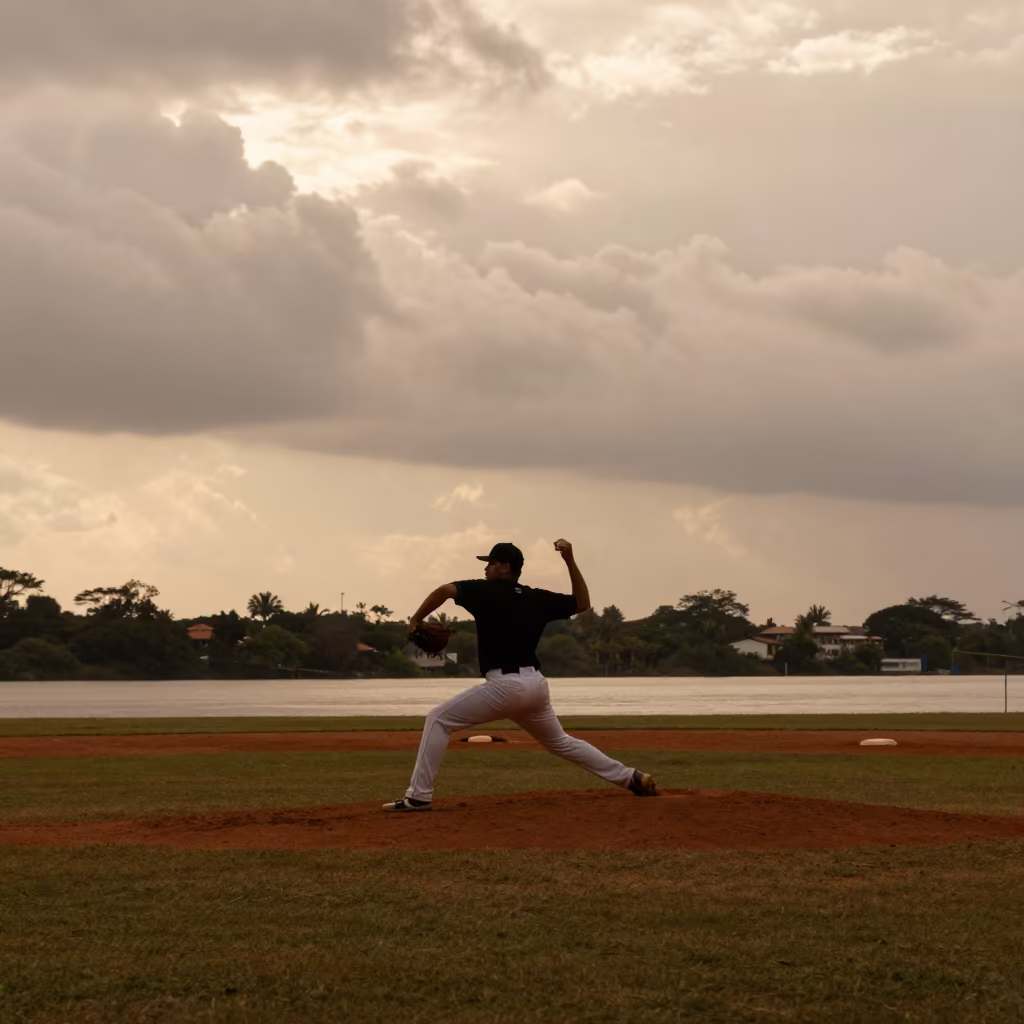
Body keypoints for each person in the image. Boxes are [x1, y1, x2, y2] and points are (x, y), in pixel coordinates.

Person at [382, 539, 658, 811]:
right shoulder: (535, 597)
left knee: (438, 719)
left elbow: (444, 590)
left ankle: (418, 796)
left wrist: (415, 619)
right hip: (535, 686)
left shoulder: (485, 591)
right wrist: (570, 560)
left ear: (505, 566)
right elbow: (582, 603)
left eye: (490, 563)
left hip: (505, 686)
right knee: (561, 742)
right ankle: (630, 777)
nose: (486, 569)